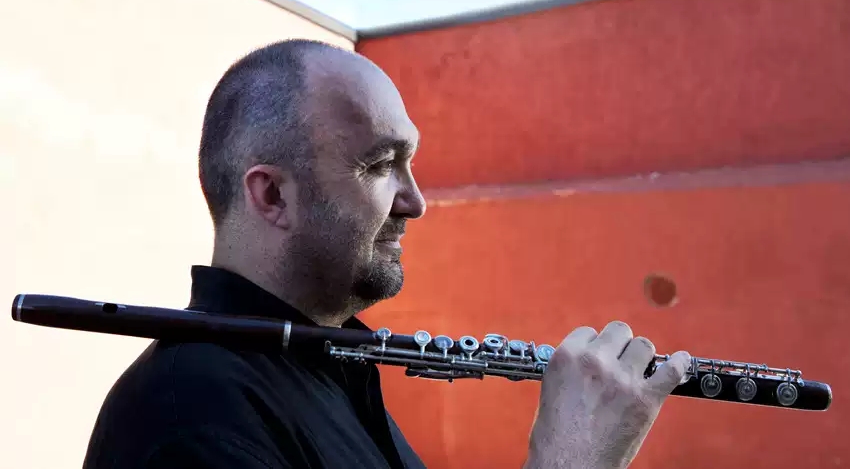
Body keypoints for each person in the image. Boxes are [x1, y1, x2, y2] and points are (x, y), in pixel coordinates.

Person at [82, 39, 689, 469]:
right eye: (378, 165)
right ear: (272, 196)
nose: (416, 202)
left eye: (409, 162)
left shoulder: (333, 368)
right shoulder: (192, 411)